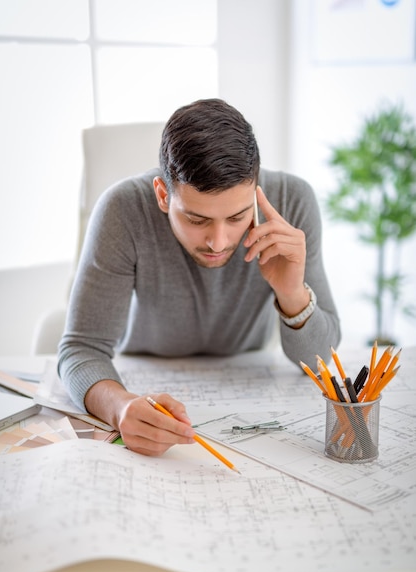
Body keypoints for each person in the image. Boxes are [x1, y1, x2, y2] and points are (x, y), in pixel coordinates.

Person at [58, 98, 341, 456]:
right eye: (196, 219)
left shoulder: (293, 202)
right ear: (163, 195)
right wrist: (120, 407)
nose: (218, 243)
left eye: (237, 217)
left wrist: (292, 293)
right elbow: (81, 348)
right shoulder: (122, 209)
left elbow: (318, 364)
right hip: (144, 371)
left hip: (247, 384)